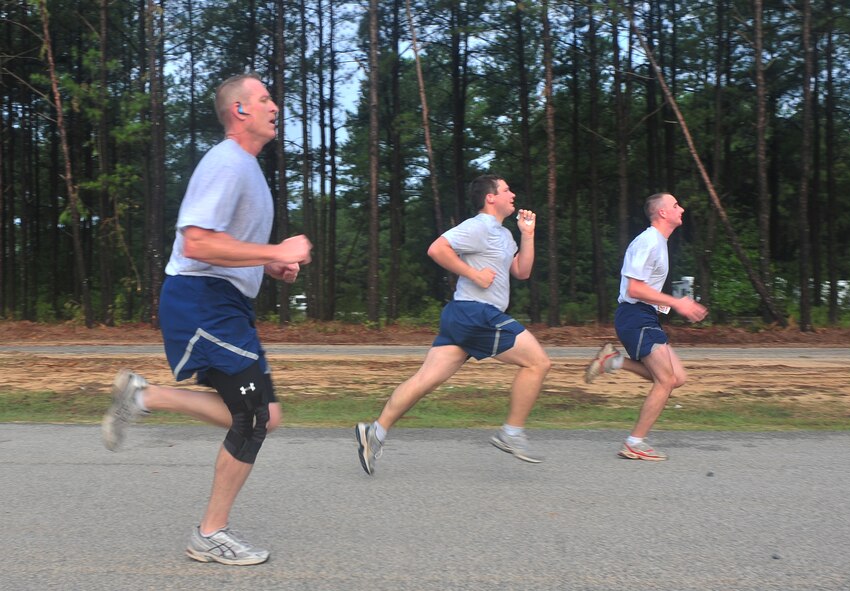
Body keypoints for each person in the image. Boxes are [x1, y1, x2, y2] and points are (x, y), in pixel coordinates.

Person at [101, 73, 312, 565]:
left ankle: (143, 395)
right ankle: (210, 533)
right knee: (255, 416)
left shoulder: (249, 172)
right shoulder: (227, 163)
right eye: (264, 98)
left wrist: (268, 263)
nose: (274, 104)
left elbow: (223, 244)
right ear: (240, 111)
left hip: (222, 302)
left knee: (267, 415)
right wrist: (274, 248)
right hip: (201, 300)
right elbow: (196, 242)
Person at [354, 175, 551, 475]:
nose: (513, 194)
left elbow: (522, 271)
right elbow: (437, 249)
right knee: (538, 363)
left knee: (425, 380)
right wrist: (472, 275)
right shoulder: (478, 226)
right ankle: (511, 432)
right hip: (477, 313)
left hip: (464, 316)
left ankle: (375, 433)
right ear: (490, 198)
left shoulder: (504, 234)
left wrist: (528, 234)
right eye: (507, 189)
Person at [584, 192, 707, 461]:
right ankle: (634, 442)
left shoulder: (659, 242)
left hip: (644, 317)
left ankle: (614, 361)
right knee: (666, 380)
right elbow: (634, 288)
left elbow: (644, 288)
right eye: (676, 205)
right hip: (635, 316)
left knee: (678, 378)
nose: (682, 209)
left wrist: (665, 307)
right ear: (662, 212)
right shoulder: (648, 241)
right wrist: (677, 303)